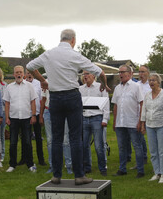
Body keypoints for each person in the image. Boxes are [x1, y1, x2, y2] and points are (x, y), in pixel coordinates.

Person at [27, 29, 109, 185]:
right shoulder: (75, 55)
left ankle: (56, 175)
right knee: (75, 137)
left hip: (56, 98)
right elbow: (101, 73)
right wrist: (104, 85)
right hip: (72, 96)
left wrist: (42, 80)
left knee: (56, 138)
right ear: (73, 40)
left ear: (61, 39)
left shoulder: (49, 54)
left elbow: (30, 66)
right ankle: (79, 175)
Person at [111, 64, 146, 177]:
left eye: (122, 72)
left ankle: (140, 170)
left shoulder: (136, 87)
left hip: (133, 122)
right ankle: (122, 169)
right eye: (119, 72)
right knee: (121, 147)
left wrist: (140, 121)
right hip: (120, 122)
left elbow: (142, 104)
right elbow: (115, 105)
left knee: (137, 146)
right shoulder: (117, 88)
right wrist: (115, 122)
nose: (120, 74)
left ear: (130, 74)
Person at [3, 65, 38, 173]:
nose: (18, 74)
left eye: (20, 72)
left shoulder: (29, 86)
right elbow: (7, 103)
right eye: (16, 72)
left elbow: (33, 101)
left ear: (23, 74)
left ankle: (30, 164)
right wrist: (7, 117)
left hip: (26, 117)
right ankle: (12, 165)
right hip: (13, 118)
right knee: (13, 142)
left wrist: (33, 115)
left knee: (27, 142)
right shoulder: (9, 87)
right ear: (14, 74)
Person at [140, 72, 163, 182]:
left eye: (153, 80)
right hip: (149, 124)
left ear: (159, 82)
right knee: (153, 151)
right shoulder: (147, 95)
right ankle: (156, 172)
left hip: (161, 124)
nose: (151, 82)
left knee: (162, 151)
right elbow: (144, 110)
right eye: (150, 80)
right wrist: (142, 124)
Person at [79, 70, 109, 176]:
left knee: (98, 145)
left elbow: (106, 103)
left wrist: (105, 119)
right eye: (84, 74)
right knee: (84, 145)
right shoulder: (80, 89)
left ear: (93, 75)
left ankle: (102, 167)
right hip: (84, 118)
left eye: (87, 74)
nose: (85, 76)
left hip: (97, 118)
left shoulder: (100, 87)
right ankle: (87, 167)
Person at [26, 70, 46, 166]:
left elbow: (42, 99)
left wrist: (41, 115)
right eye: (28, 73)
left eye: (31, 73)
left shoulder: (39, 84)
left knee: (38, 138)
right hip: (26, 114)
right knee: (26, 138)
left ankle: (41, 159)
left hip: (37, 113)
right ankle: (26, 159)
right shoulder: (23, 83)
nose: (29, 75)